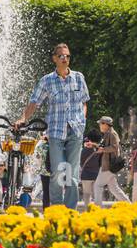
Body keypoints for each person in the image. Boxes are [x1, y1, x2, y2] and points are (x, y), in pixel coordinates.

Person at [17, 43, 90, 210]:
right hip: (56, 131)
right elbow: (34, 103)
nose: (65, 59)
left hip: (76, 130)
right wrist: (22, 118)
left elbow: (85, 102)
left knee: (71, 175)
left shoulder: (79, 77)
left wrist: (82, 119)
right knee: (57, 172)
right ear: (54, 59)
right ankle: (56, 210)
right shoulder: (47, 80)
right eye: (61, 56)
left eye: (68, 56)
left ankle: (70, 211)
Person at [89, 115, 130, 204]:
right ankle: (129, 204)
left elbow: (114, 148)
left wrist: (103, 150)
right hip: (107, 165)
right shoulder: (108, 133)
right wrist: (93, 145)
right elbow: (104, 147)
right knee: (113, 188)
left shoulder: (112, 134)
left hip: (108, 166)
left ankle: (97, 208)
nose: (99, 125)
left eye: (101, 123)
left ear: (106, 124)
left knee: (98, 185)